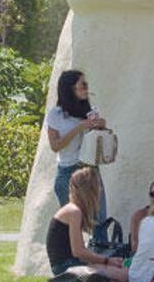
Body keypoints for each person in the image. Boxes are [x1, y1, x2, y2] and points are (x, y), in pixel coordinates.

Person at [46, 70, 108, 242]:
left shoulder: (90, 110)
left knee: (99, 218)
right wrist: (79, 127)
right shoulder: (56, 115)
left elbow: (96, 142)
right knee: (70, 220)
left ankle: (101, 259)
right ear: (70, 89)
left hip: (89, 169)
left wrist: (100, 127)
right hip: (67, 170)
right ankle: (71, 260)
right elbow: (55, 146)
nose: (86, 89)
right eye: (83, 85)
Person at [46, 167, 127, 282]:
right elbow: (78, 251)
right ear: (89, 190)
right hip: (65, 267)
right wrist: (107, 261)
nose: (100, 191)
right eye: (97, 187)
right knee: (123, 275)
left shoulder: (73, 210)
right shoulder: (74, 212)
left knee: (121, 275)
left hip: (69, 264)